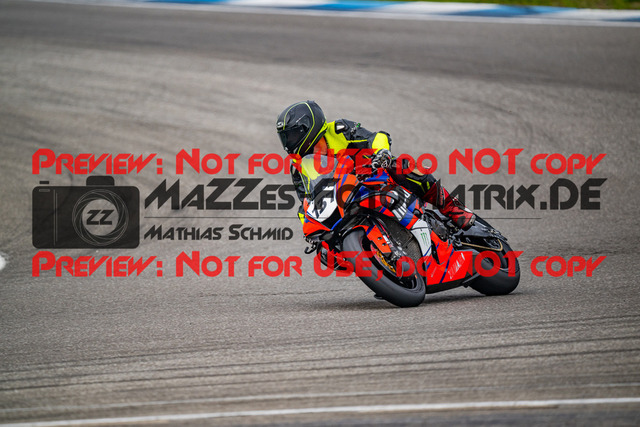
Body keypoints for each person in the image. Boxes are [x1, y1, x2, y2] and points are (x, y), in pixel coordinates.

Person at [276, 100, 475, 230]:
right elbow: (306, 203)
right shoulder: (298, 167)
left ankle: (452, 207)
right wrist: (308, 224)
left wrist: (381, 152)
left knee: (402, 166)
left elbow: (376, 137)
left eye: (291, 135)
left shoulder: (339, 130)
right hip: (343, 202)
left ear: (308, 127)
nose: (288, 142)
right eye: (285, 137)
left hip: (372, 178)